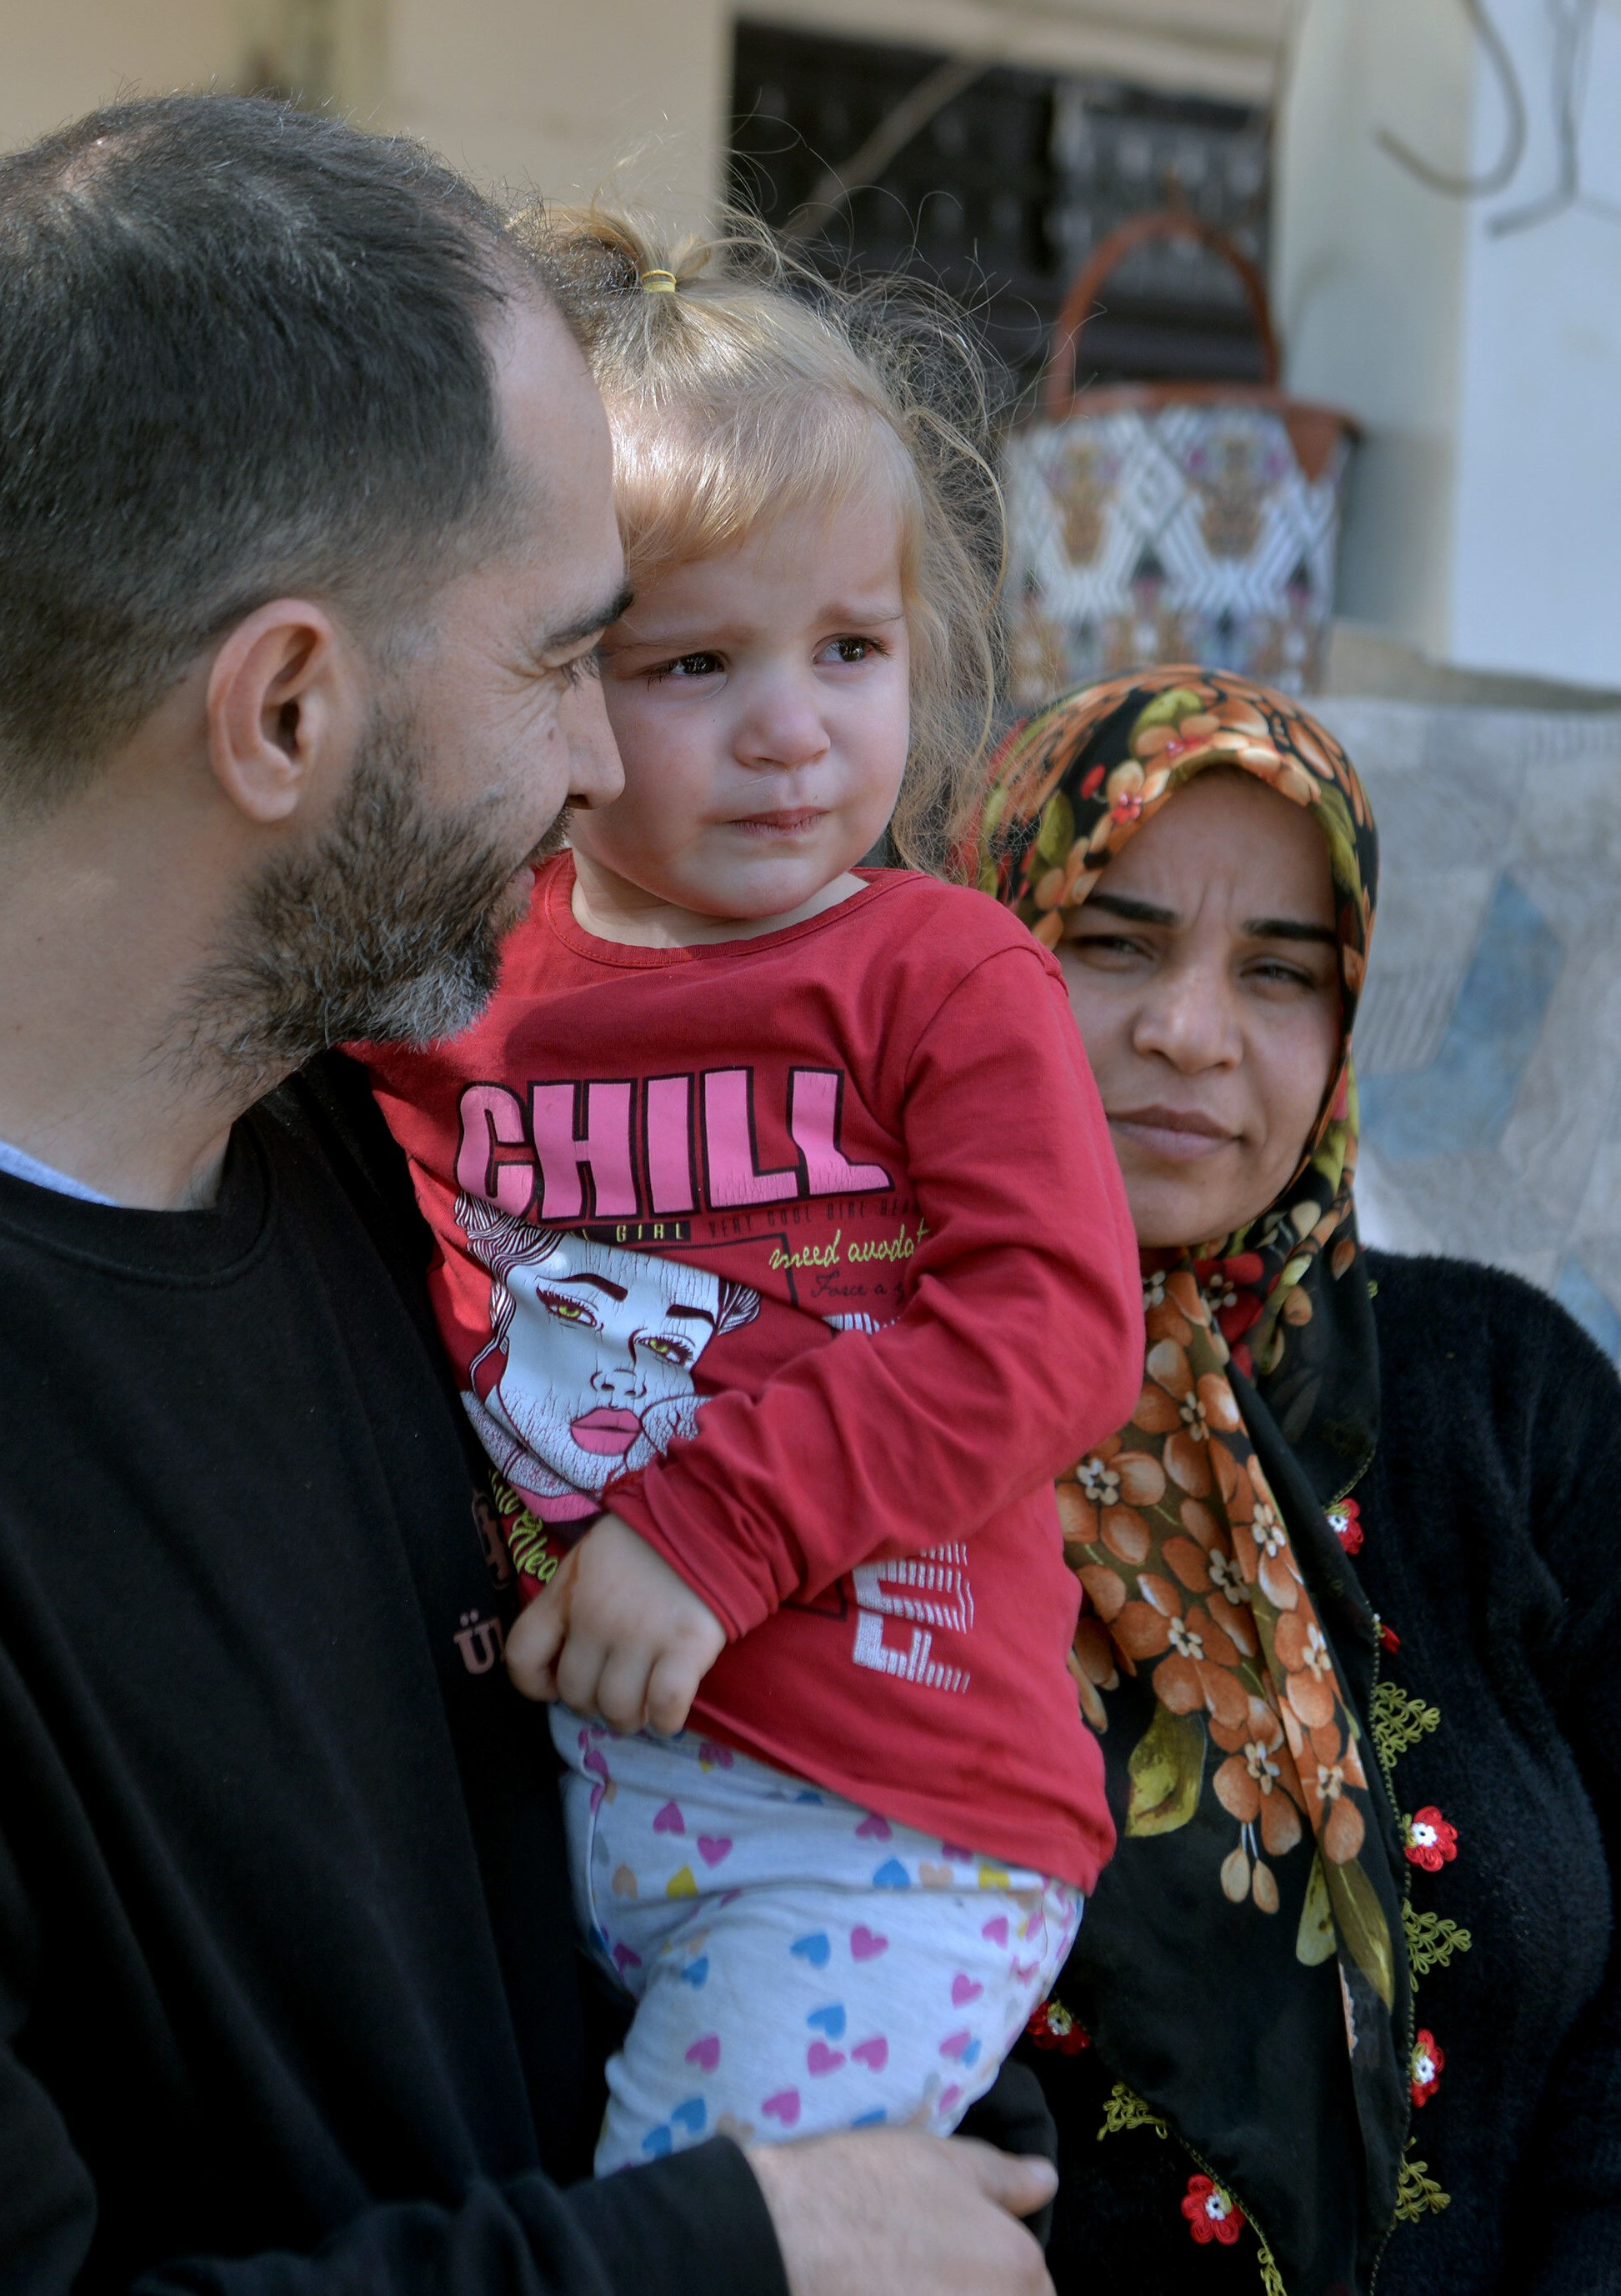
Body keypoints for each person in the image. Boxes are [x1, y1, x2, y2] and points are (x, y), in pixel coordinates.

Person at [0, 94, 1058, 2296]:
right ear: (287, 705)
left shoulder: (407, 1171)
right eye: (570, 655)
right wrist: (720, 2257)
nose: (605, 765)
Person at [352, 211, 1141, 2175]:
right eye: (697, 662)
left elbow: (1053, 1331)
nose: (795, 728)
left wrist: (711, 1534)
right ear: (558, 683)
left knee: (689, 2246)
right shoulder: (477, 973)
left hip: (886, 1831)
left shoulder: (939, 973)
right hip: (587, 1788)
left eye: (849, 650)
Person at [963, 669, 1621, 2294]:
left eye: (1278, 973)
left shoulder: (1503, 1402)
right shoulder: (830, 1434)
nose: (1189, 1030)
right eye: (1115, 941)